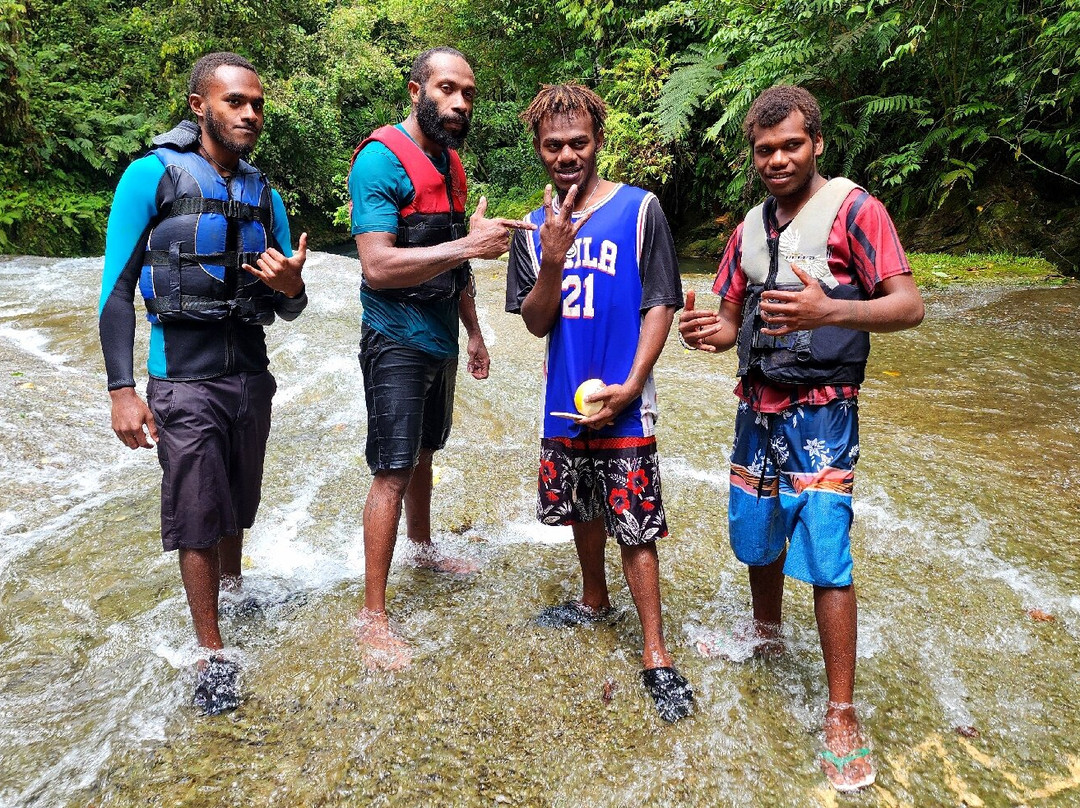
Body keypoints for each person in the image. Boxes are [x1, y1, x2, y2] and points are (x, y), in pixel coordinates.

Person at [678, 85, 924, 791]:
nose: (778, 160)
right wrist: (705, 334)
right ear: (753, 156)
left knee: (825, 550)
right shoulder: (749, 229)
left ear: (816, 143)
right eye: (765, 150)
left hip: (824, 412)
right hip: (757, 405)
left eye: (791, 145)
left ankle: (841, 710)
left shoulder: (856, 211)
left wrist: (830, 306)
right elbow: (729, 323)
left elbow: (908, 306)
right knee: (754, 534)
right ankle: (766, 631)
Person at [98, 52, 309, 715]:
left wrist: (293, 283)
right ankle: (212, 652)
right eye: (235, 102)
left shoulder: (264, 194)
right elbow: (115, 293)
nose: (250, 113)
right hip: (181, 378)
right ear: (199, 107)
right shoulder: (149, 178)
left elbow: (290, 305)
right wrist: (122, 390)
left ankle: (235, 588)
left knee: (237, 503)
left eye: (257, 104)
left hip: (249, 373)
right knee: (196, 511)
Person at [505, 84, 693, 722]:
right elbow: (534, 322)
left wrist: (634, 384)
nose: (566, 155)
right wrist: (552, 262)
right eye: (553, 145)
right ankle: (592, 600)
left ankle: (656, 653)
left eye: (578, 143)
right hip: (565, 400)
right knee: (583, 505)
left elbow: (660, 301)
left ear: (598, 142)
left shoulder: (640, 210)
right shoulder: (530, 228)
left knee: (636, 527)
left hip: (626, 399)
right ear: (538, 149)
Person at [349, 46, 533, 671]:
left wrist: (476, 333)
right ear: (416, 90)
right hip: (395, 337)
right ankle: (372, 615)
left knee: (427, 451)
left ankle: (422, 546)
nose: (459, 104)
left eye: (468, 94)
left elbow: (454, 260)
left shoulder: (451, 166)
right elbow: (376, 264)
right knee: (392, 468)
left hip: (441, 337)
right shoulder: (379, 161)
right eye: (447, 89)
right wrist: (471, 243)